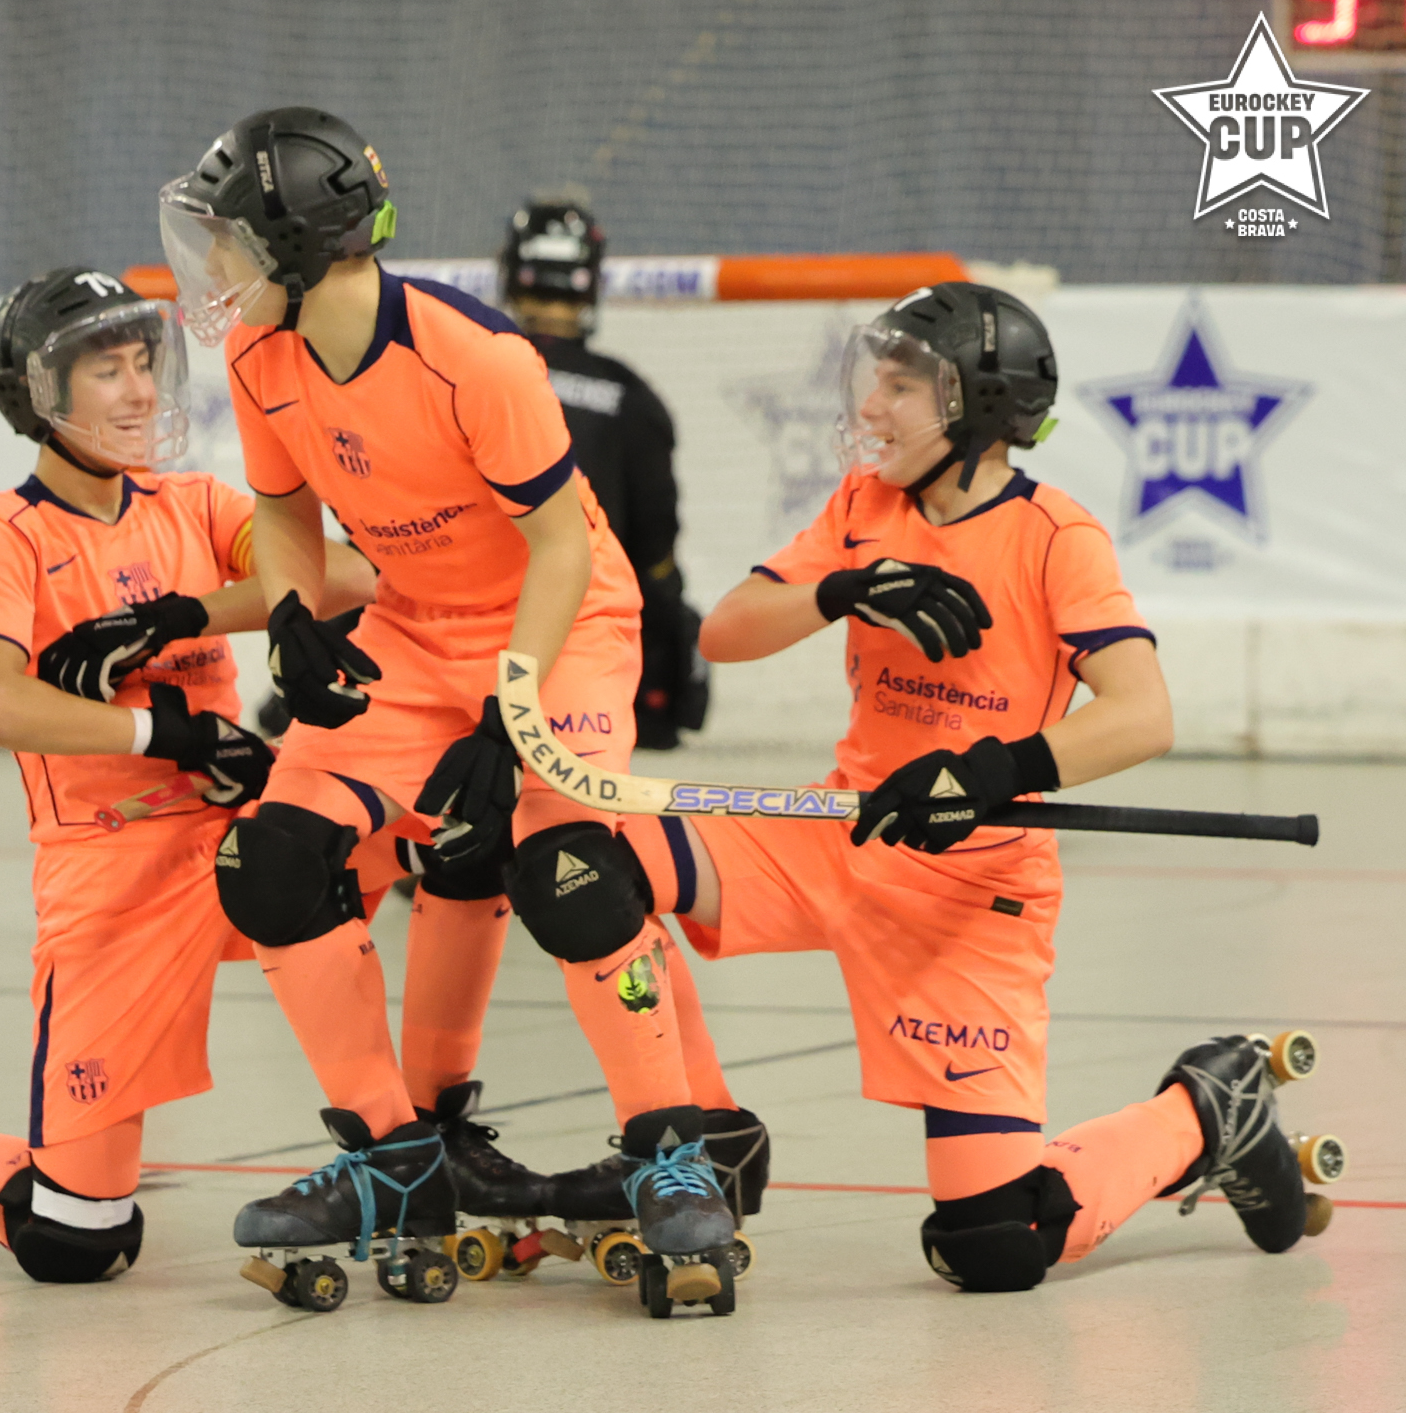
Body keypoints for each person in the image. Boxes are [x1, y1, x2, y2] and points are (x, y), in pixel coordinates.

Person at [611, 281, 1333, 1291]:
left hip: (972, 892)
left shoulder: (1056, 536)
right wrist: (840, 591)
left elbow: (1143, 713)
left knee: (994, 1242)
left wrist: (989, 771)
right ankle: (696, 1144)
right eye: (877, 381)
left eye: (901, 388)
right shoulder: (865, 505)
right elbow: (726, 633)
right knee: (595, 866)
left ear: (977, 409)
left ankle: (1207, 1111)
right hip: (844, 830)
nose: (872, 406)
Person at [159, 107, 739, 1286]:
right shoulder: (260, 354)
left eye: (226, 239)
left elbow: (564, 550)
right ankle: (395, 1155)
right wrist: (289, 618)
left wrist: (510, 712)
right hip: (415, 626)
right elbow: (283, 511)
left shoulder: (477, 356)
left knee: (569, 874)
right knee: (267, 864)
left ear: (292, 246)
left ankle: (671, 1149)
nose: (209, 264)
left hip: (563, 624)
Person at [0, 267, 374, 1282]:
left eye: (145, 363)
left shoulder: (195, 503)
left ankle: (409, 1147)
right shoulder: (0, 537)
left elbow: (353, 576)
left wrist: (179, 616)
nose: (141, 390)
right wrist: (164, 733)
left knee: (424, 849)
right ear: (40, 395)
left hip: (231, 832)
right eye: (108, 371)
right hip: (110, 872)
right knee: (75, 1238)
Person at [501, 198, 707, 749]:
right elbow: (655, 540)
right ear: (590, 283)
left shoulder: (467, 372)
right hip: (588, 648)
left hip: (468, 636)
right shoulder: (630, 397)